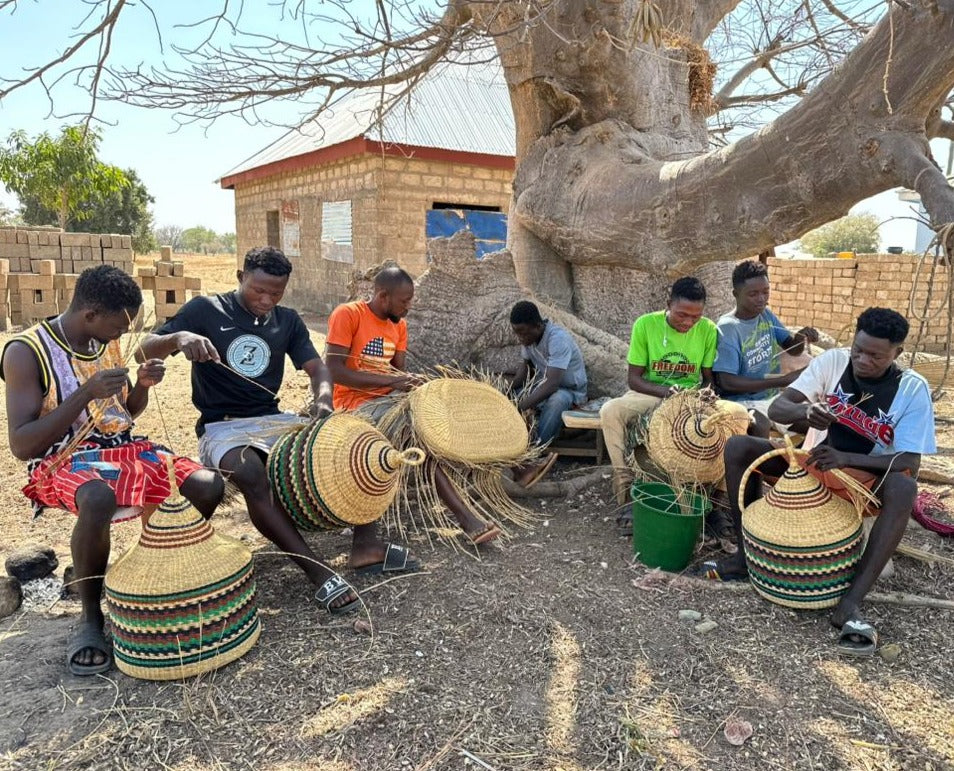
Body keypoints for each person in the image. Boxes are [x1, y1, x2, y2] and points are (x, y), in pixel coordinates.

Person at [141, 246, 417, 617]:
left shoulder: (286, 320)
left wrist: (323, 399)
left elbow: (319, 369)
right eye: (258, 291)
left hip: (274, 420)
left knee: (356, 442)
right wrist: (179, 339)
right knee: (251, 472)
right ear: (241, 277)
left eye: (276, 293)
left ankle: (365, 546)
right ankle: (317, 571)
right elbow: (145, 349)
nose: (266, 300)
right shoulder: (205, 310)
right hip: (222, 427)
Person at [1, 266, 225, 676]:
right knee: (98, 496)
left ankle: (151, 579)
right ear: (89, 314)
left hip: (122, 449)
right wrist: (86, 392)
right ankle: (90, 617)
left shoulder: (103, 340)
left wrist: (141, 386)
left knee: (207, 485)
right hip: (61, 458)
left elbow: (123, 414)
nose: (120, 337)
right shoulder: (26, 350)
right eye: (115, 327)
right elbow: (23, 444)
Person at [699, 308, 935, 655]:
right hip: (810, 464)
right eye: (859, 349)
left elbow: (909, 462)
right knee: (739, 447)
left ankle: (850, 604)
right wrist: (804, 413)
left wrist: (847, 458)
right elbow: (778, 409)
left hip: (861, 480)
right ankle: (745, 557)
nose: (862, 360)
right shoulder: (833, 363)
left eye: (875, 355)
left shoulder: (911, 389)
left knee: (904, 487)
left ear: (897, 353)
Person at [325, 266, 555, 546]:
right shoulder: (348, 315)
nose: (409, 306)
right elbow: (334, 371)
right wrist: (396, 383)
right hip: (356, 405)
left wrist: (415, 383)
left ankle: (518, 467)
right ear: (383, 296)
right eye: (404, 301)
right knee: (419, 436)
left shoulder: (399, 325)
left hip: (391, 402)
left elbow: (397, 373)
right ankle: (467, 520)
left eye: (411, 300)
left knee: (455, 412)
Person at [599, 277, 718, 505]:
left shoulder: (708, 330)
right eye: (682, 314)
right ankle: (622, 478)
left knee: (734, 416)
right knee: (610, 411)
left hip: (689, 399)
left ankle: (711, 494)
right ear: (668, 304)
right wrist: (666, 391)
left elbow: (708, 380)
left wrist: (706, 392)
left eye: (696, 316)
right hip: (650, 392)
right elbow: (634, 380)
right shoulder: (645, 325)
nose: (688, 322)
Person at [713, 260, 818, 436]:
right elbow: (726, 382)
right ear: (736, 294)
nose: (762, 298)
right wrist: (781, 381)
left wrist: (801, 338)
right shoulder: (728, 328)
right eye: (753, 294)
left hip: (773, 399)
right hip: (742, 402)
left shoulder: (765, 314)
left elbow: (791, 348)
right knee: (759, 426)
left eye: (765, 292)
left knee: (814, 423)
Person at [509, 300, 588, 446]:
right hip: (544, 387)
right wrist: (505, 392)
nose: (520, 338)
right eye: (516, 333)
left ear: (538, 326)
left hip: (569, 391)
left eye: (523, 333)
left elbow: (552, 385)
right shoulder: (529, 339)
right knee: (512, 396)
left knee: (557, 400)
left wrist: (519, 408)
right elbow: (523, 371)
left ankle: (537, 446)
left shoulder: (558, 339)